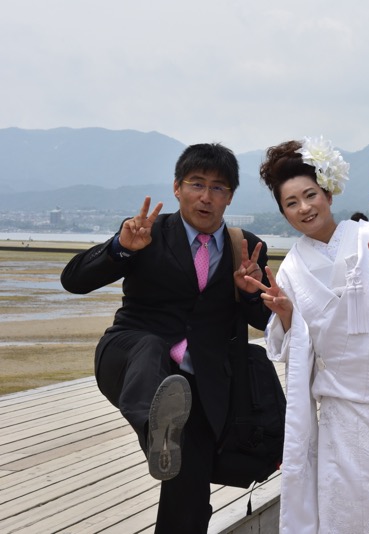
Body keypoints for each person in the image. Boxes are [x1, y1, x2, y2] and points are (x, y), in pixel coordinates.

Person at [60, 143, 271, 533]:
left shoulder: (246, 246)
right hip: (129, 360)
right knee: (151, 346)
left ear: (230, 196)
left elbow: (264, 319)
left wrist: (247, 290)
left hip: (198, 387)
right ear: (177, 188)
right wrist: (120, 250)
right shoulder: (146, 232)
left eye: (218, 188)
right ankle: (154, 426)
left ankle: (166, 437)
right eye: (196, 184)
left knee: (187, 498)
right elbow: (73, 279)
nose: (206, 197)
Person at [252, 137, 369, 533]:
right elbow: (285, 348)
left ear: (328, 193)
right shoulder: (292, 269)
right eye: (291, 203)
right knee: (342, 510)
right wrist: (287, 316)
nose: (304, 208)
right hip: (339, 412)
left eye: (310, 194)